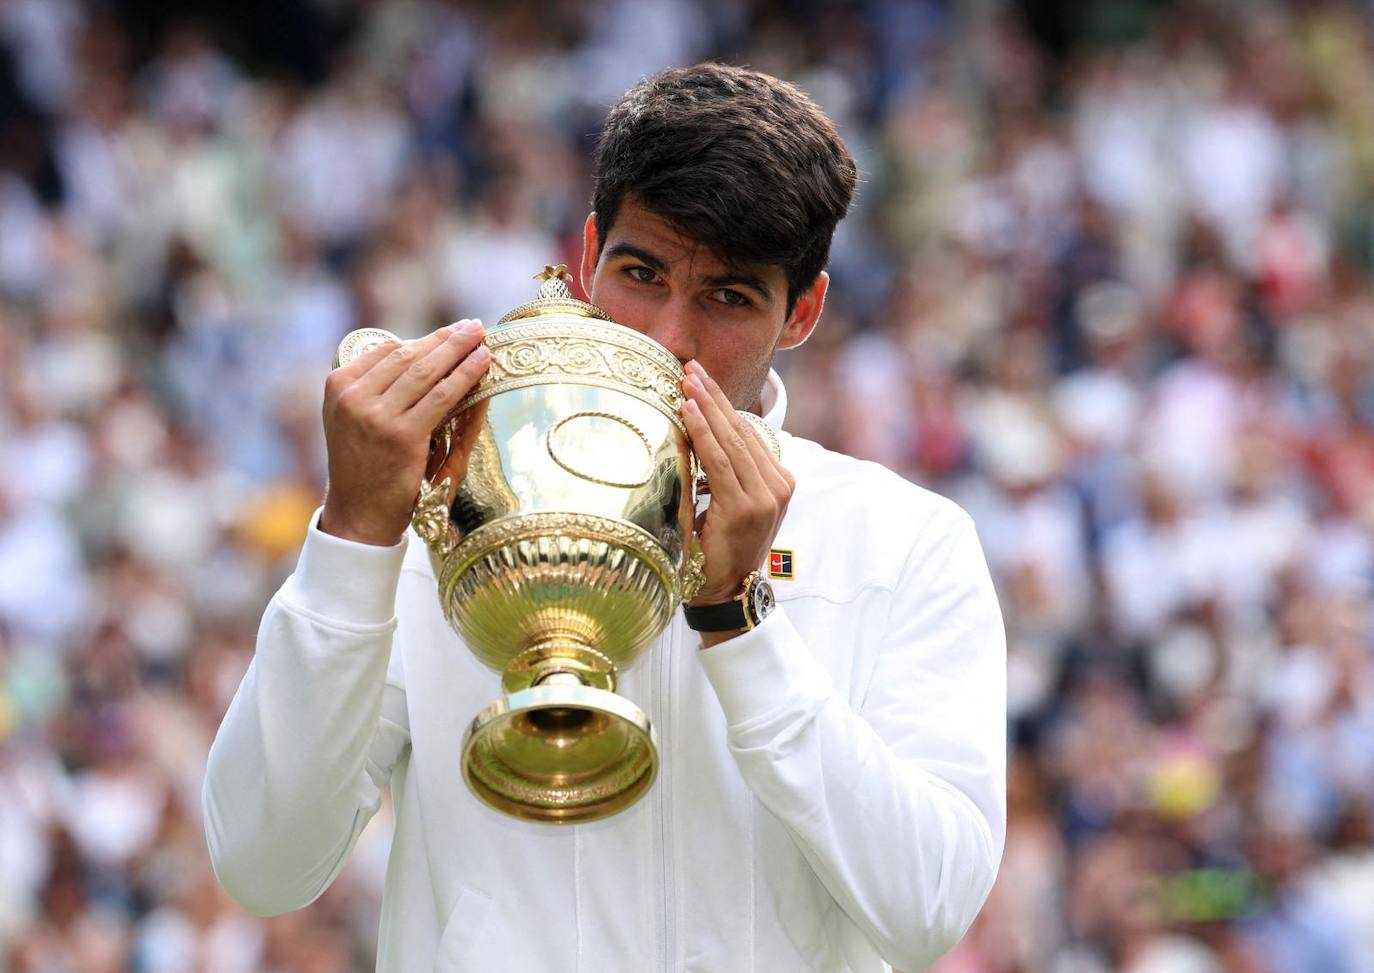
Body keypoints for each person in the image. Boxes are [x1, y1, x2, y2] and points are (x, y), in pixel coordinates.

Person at [203, 63, 1006, 972]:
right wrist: (354, 534)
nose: (668, 336)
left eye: (728, 297)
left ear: (804, 311)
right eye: (642, 272)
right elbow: (261, 863)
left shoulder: (902, 542)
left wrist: (739, 620)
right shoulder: (450, 514)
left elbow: (929, 908)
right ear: (586, 258)